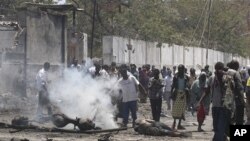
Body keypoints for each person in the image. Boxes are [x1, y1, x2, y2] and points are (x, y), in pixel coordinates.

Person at [198, 62, 231, 141]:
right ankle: (223, 137)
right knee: (216, 126)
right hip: (214, 106)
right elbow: (207, 90)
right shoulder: (212, 78)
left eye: (220, 69)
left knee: (220, 127)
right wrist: (200, 100)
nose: (218, 71)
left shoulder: (226, 78)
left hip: (223, 107)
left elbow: (229, 90)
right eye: (217, 69)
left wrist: (222, 79)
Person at [171, 64, 189, 130]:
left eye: (182, 69)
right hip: (177, 94)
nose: (181, 70)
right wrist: (171, 94)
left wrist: (186, 90)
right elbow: (173, 86)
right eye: (179, 69)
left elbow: (187, 85)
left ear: (184, 70)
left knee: (182, 110)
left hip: (183, 94)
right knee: (175, 109)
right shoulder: (175, 77)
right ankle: (174, 123)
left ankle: (179, 124)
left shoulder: (186, 77)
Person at [227, 60, 245, 125]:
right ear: (236, 66)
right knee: (239, 118)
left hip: (226, 100)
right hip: (236, 99)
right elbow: (239, 88)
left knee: (229, 118)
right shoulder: (236, 73)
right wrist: (242, 100)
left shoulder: (226, 72)